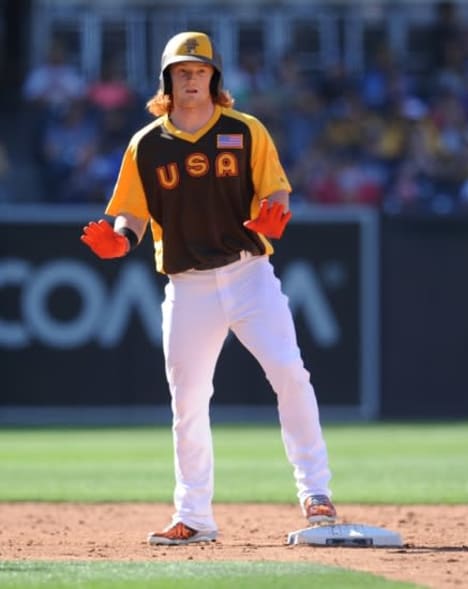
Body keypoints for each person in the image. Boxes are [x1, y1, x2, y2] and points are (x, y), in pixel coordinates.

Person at [81, 31, 336, 545]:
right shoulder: (147, 143)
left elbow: (276, 186)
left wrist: (277, 210)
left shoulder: (245, 131)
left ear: (214, 79)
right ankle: (194, 515)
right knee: (189, 401)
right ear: (167, 82)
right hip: (187, 284)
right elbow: (130, 209)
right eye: (181, 71)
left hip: (248, 274)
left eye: (199, 70)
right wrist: (121, 237)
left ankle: (315, 490)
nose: (190, 78)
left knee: (289, 370)